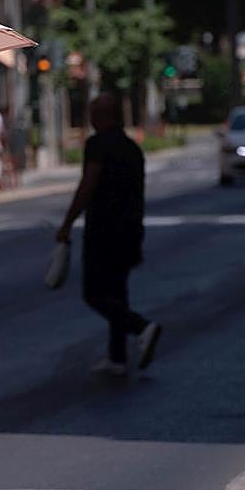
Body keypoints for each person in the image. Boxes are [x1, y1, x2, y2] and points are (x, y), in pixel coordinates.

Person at [56, 92, 161, 376]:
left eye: (92, 113)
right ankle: (117, 357)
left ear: (100, 116)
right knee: (117, 290)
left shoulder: (98, 145)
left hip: (103, 229)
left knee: (94, 293)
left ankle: (140, 326)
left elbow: (88, 185)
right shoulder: (131, 148)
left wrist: (67, 223)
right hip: (131, 228)